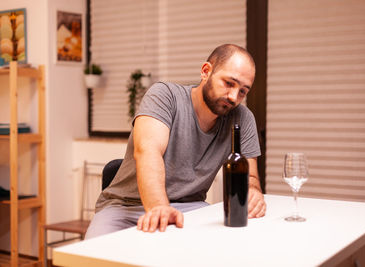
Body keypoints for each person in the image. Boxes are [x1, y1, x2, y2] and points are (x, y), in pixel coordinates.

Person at [85, 44, 266, 239]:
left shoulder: (242, 118)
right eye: (229, 83)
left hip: (191, 208)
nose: (233, 97)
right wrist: (160, 208)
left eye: (242, 92)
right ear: (206, 71)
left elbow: (251, 177)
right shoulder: (165, 96)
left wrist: (253, 192)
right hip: (125, 208)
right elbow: (148, 152)